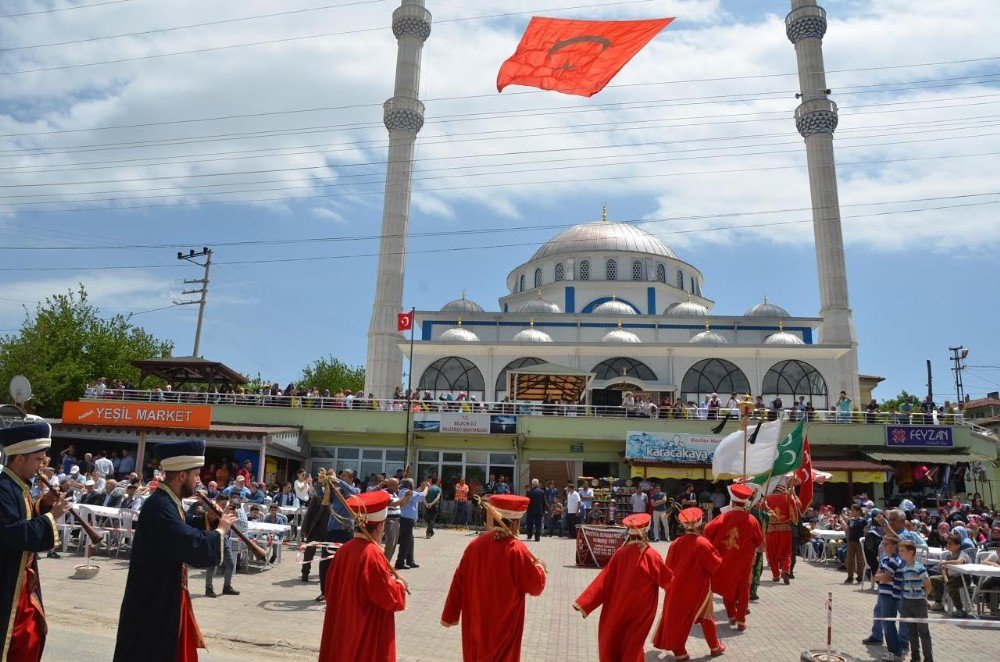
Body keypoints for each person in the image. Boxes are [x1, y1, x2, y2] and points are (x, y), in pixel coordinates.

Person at [113, 439, 236, 662]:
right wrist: (220, 531)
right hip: (152, 604)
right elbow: (189, 543)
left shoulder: (170, 502)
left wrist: (206, 520)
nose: (199, 480)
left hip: (162, 596)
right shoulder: (160, 506)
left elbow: (184, 525)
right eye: (196, 474)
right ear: (181, 476)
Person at [442, 494, 547, 661]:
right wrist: (540, 567)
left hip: (475, 621)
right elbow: (535, 587)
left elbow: (458, 582)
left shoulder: (475, 545)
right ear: (514, 523)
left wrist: (450, 614)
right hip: (504, 626)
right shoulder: (517, 550)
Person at [1, 420, 72, 661]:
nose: (42, 467)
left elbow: (25, 519)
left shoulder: (17, 486)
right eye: (38, 460)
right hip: (7, 582)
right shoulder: (3, 489)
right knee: (16, 643)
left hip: (21, 582)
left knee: (29, 640)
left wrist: (44, 506)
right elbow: (15, 533)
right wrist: (54, 516)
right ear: (19, 458)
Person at [317, 491, 407, 662]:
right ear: (380, 527)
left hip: (343, 624)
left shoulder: (344, 549)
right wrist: (399, 585)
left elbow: (330, 587)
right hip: (365, 629)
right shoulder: (372, 554)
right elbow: (387, 597)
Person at [573, 513, 672, 661]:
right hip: (640, 612)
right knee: (634, 646)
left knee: (616, 641)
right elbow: (668, 581)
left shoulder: (620, 554)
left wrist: (585, 602)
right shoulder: (651, 555)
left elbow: (603, 581)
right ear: (646, 530)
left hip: (617, 608)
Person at [652, 507, 725, 660]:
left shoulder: (675, 543)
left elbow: (668, 567)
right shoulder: (703, 543)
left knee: (677, 618)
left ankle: (680, 651)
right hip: (698, 588)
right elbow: (715, 565)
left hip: (676, 587)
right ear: (699, 524)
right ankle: (714, 646)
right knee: (706, 616)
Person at [703, 484, 763, 631]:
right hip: (744, 563)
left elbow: (707, 530)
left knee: (726, 586)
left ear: (733, 501)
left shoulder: (723, 517)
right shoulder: (752, 520)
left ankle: (731, 615)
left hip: (725, 560)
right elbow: (760, 543)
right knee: (744, 589)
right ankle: (741, 620)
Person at [316, 469, 361, 601]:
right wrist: (320, 483)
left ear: (352, 479)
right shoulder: (335, 491)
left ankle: (343, 592)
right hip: (332, 530)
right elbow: (321, 495)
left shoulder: (355, 491)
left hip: (346, 531)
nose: (341, 477)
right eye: (341, 475)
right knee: (326, 561)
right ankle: (324, 591)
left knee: (345, 563)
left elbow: (352, 492)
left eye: (344, 476)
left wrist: (337, 480)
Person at [764, 474, 812, 584]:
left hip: (771, 530)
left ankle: (776, 575)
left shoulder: (767, 498)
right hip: (785, 528)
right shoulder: (788, 497)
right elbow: (799, 507)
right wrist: (793, 496)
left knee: (772, 554)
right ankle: (786, 570)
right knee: (786, 553)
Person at [897, 540, 934, 662]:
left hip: (918, 604)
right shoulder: (905, 567)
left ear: (911, 552)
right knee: (911, 632)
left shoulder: (919, 567)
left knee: (923, 632)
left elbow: (928, 586)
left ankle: (928, 658)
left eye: (902, 551)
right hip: (907, 602)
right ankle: (915, 657)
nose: (900, 553)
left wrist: (922, 597)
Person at [205, 493, 244, 598]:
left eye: (225, 504)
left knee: (230, 564)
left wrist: (232, 515)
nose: (224, 506)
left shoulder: (225, 512)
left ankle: (227, 586)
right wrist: (223, 514)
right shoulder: (212, 511)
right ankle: (208, 588)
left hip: (225, 539)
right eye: (222, 504)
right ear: (217, 502)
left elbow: (231, 525)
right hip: (214, 539)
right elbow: (214, 524)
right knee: (211, 565)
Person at [395, 478, 428, 570]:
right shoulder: (407, 492)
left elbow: (415, 493)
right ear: (410, 485)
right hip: (406, 520)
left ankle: (410, 560)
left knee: (410, 542)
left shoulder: (404, 491)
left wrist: (420, 488)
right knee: (405, 542)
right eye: (413, 483)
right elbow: (421, 496)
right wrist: (426, 488)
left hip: (406, 519)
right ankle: (400, 562)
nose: (414, 485)